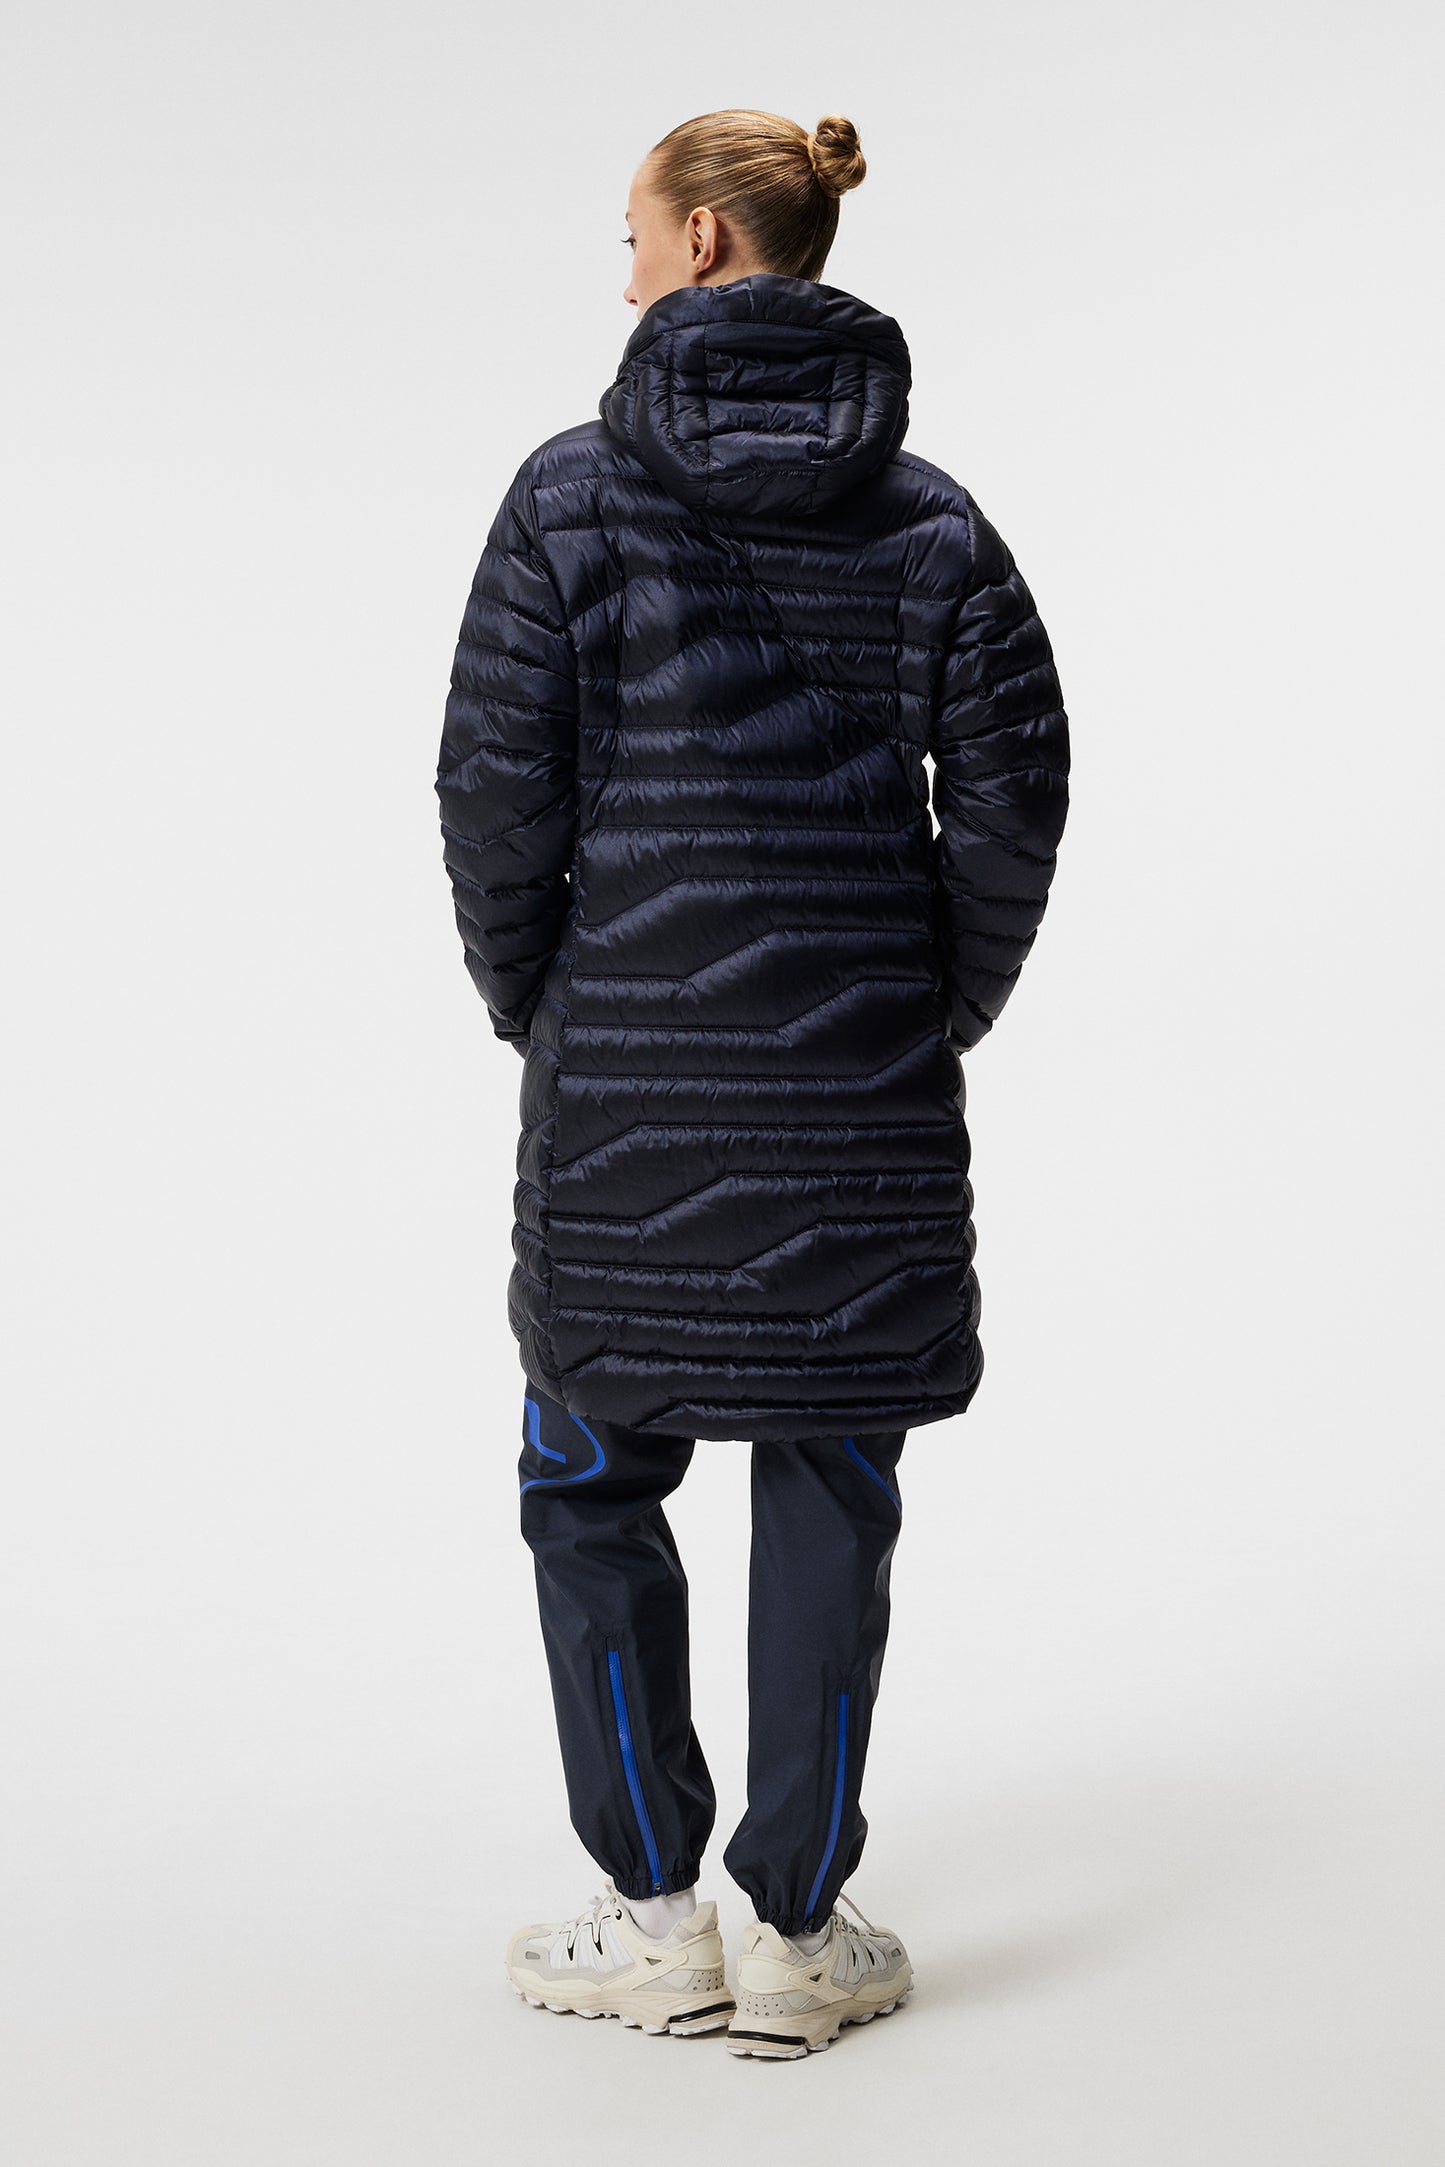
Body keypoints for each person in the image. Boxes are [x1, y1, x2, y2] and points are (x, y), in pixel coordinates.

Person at [434, 107, 1070, 2058]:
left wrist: (550, 1007)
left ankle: (656, 1918)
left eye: (632, 232)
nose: (621, 267)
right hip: (859, 1111)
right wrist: (926, 1010)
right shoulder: (935, 521)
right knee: (832, 1481)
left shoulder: (565, 499)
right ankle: (796, 1929)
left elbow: (494, 793)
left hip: (624, 1099)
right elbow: (1017, 802)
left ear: (707, 239)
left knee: (588, 1479)